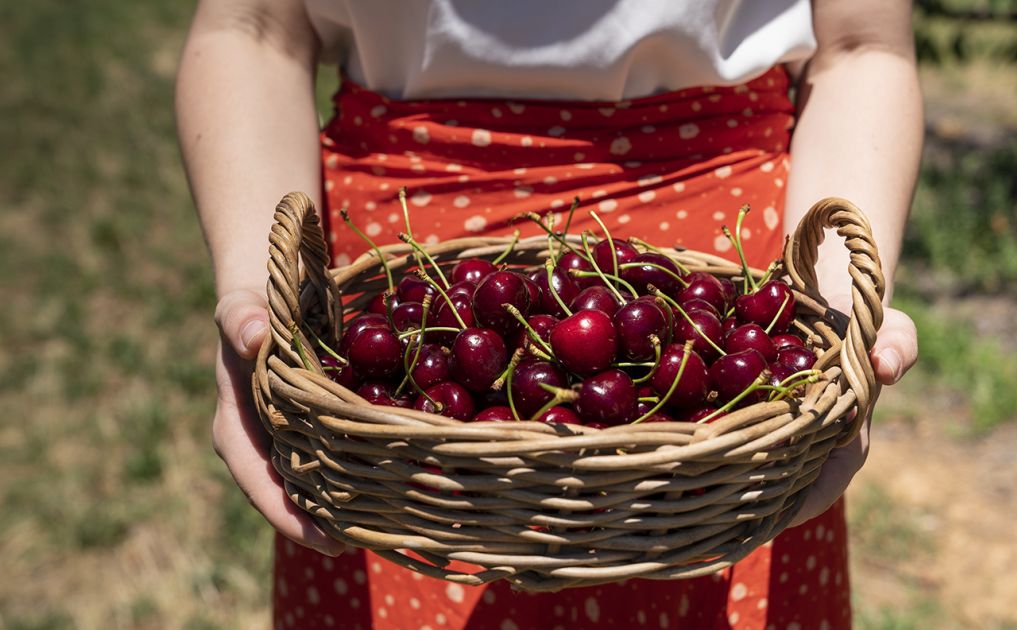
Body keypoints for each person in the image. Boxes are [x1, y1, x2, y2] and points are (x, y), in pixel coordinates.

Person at [176, 0, 921, 627]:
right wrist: (260, 294)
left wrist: (830, 314)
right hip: (398, 378)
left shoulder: (754, 358)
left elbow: (860, 45)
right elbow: (254, 30)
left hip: (730, 361)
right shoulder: (383, 379)